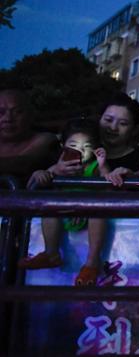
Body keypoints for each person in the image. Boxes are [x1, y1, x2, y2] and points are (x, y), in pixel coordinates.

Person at [19, 120, 111, 285]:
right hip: (64, 213)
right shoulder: (59, 167)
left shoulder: (95, 167)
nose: (80, 151)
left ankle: (92, 262)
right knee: (49, 205)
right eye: (73, 145)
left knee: (99, 212)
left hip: (89, 214)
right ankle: (51, 253)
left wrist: (103, 165)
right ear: (63, 146)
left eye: (87, 146)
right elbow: (43, 177)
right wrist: (42, 174)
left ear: (96, 148)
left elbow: (108, 185)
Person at [0, 89, 59, 181]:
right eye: (1, 112)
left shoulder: (45, 139)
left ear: (30, 115)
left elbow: (23, 164)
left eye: (17, 112)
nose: (8, 119)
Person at [96, 94, 139, 186]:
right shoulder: (86, 151)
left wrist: (133, 179)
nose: (113, 127)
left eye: (123, 123)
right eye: (108, 120)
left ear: (135, 129)